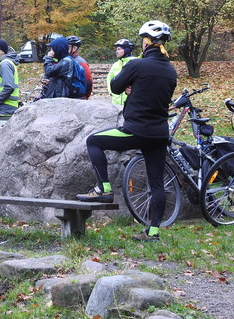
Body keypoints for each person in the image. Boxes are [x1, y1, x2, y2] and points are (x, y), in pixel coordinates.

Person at [76, 20, 177, 242]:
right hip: (159, 134)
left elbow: (115, 86)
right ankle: (153, 232)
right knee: (157, 184)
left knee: (94, 141)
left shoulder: (137, 65)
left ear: (147, 42)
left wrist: (131, 86)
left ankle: (103, 188)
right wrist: (136, 87)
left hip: (135, 130)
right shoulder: (171, 70)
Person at [107, 39, 137, 106]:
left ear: (127, 50)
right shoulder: (115, 65)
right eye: (116, 50)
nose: (117, 52)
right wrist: (111, 91)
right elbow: (109, 78)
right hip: (116, 103)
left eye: (119, 49)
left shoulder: (135, 63)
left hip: (131, 103)